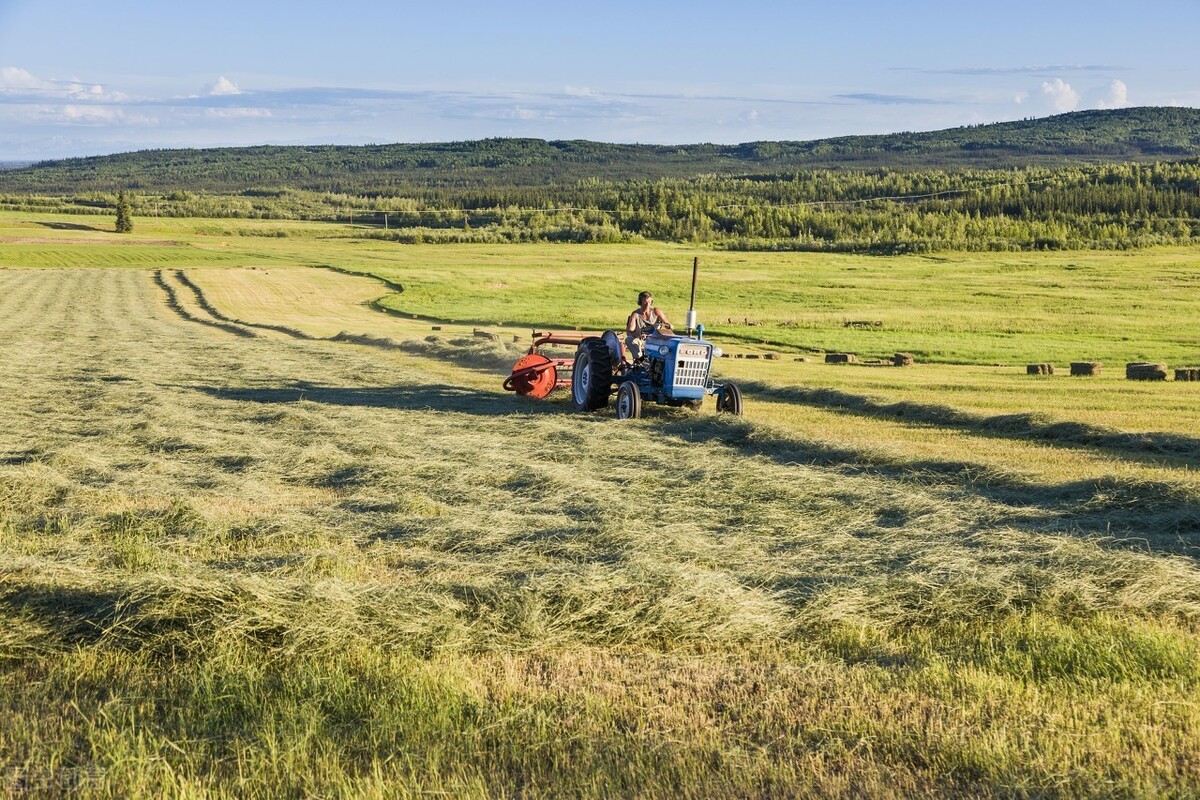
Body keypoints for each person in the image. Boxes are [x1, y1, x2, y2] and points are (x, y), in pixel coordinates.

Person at [625, 290, 674, 361]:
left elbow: (667, 323)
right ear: (640, 302)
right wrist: (639, 335)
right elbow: (630, 331)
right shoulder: (635, 314)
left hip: (656, 339)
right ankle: (639, 360)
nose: (647, 304)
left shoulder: (656, 311)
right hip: (641, 340)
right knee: (629, 339)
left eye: (649, 302)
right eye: (645, 302)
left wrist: (668, 326)